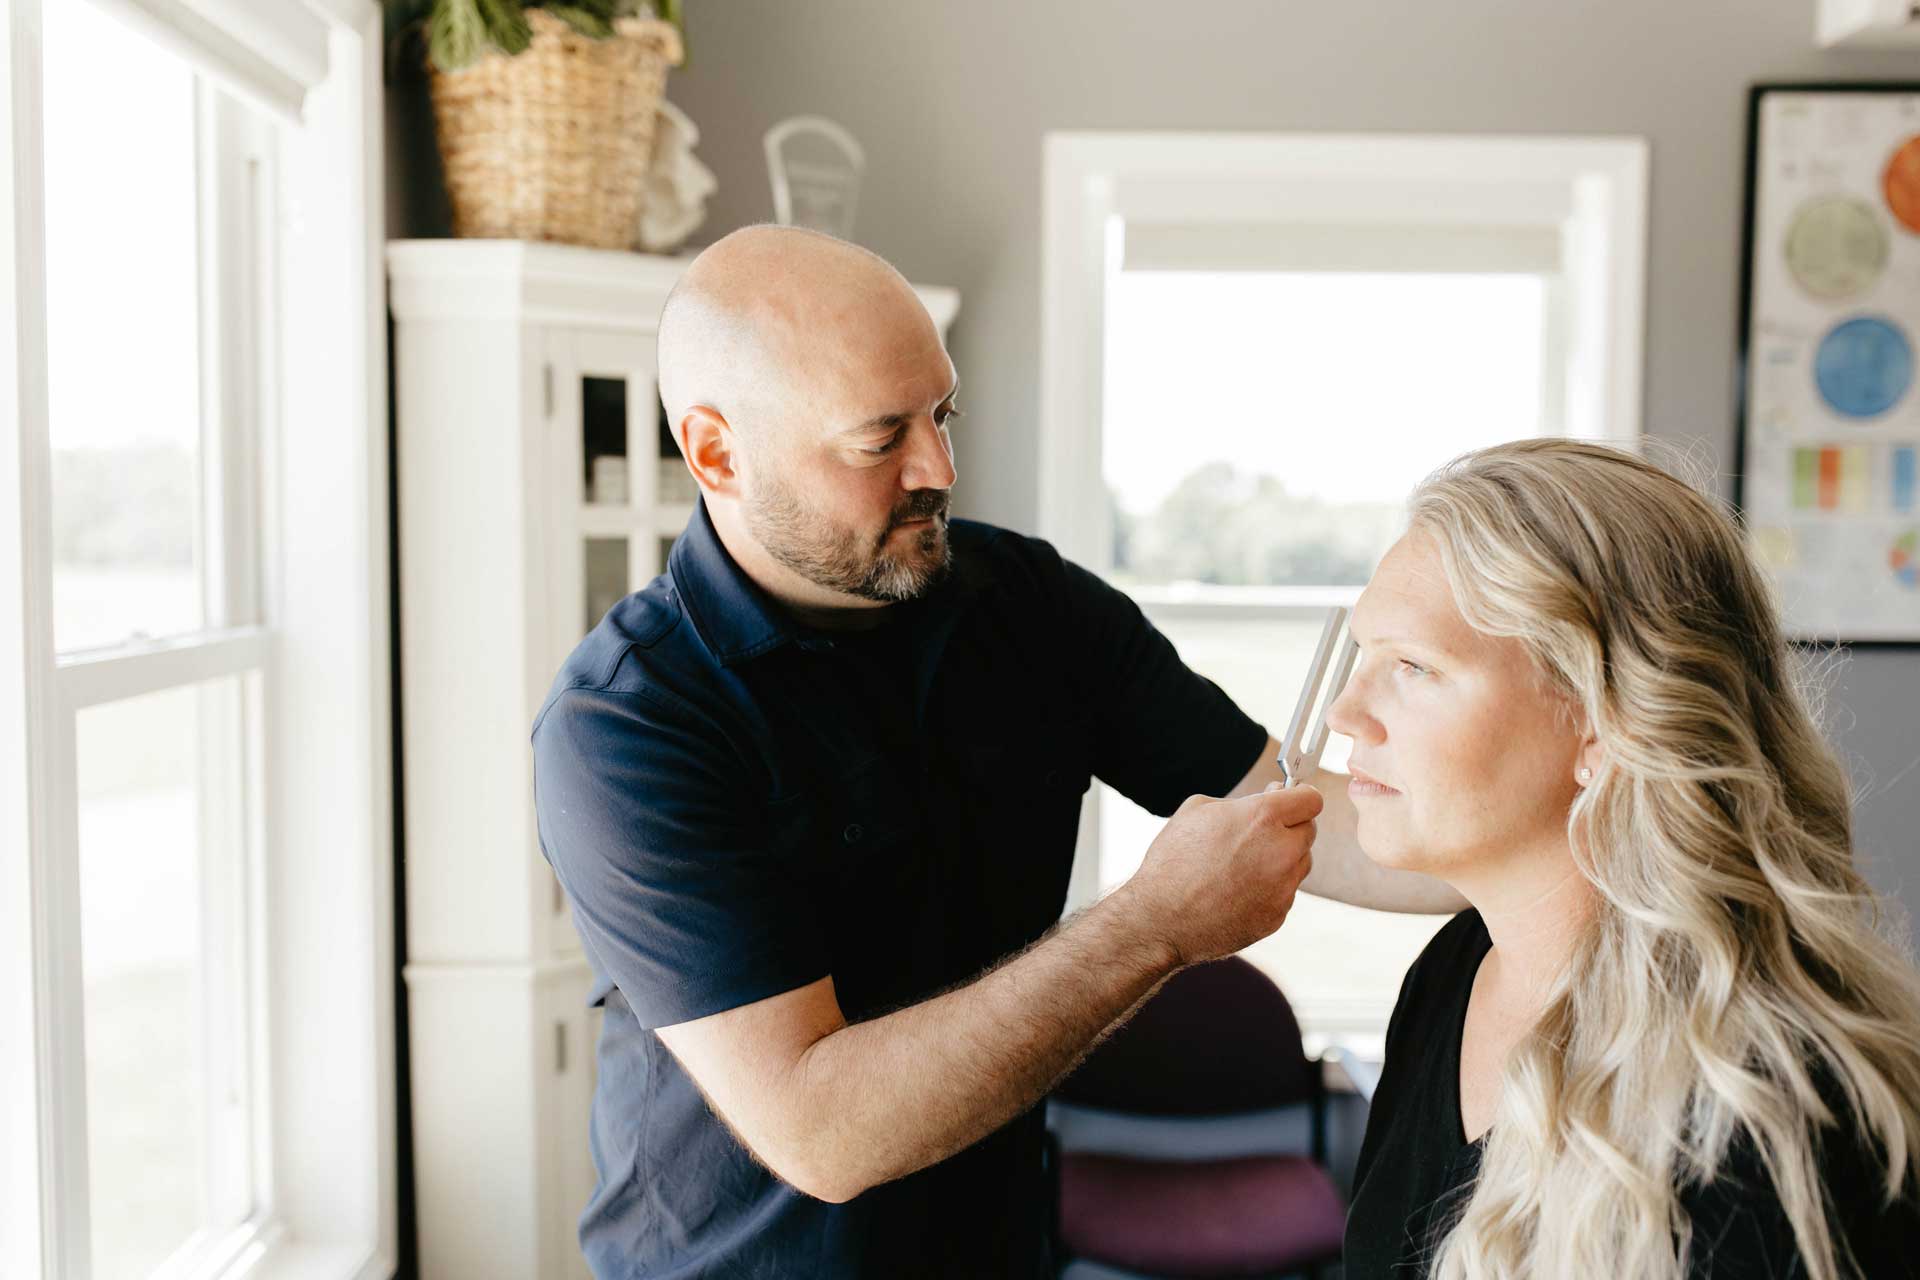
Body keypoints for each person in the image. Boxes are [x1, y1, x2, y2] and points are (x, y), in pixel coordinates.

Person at [528, 225, 1459, 1278]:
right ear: (716, 452)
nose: (940, 468)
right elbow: (821, 1130)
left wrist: (1581, 842)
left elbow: (1304, 814)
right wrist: (1154, 924)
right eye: (881, 439)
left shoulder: (1032, 609)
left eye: (942, 412)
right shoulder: (627, 725)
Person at [1332, 439, 1920, 1278]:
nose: (1349, 713)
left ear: (1604, 723)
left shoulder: (1774, 1116)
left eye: (1415, 667)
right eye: (1364, 657)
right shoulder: (1452, 976)